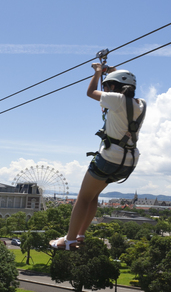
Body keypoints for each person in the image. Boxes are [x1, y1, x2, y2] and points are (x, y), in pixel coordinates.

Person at [50, 63, 146, 250]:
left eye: (107, 86)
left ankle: (68, 241)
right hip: (129, 162)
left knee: (83, 197)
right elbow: (121, 91)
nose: (105, 89)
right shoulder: (141, 104)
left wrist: (97, 73)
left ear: (112, 88)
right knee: (93, 196)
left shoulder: (115, 100)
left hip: (109, 158)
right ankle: (80, 236)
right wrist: (110, 72)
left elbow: (90, 92)